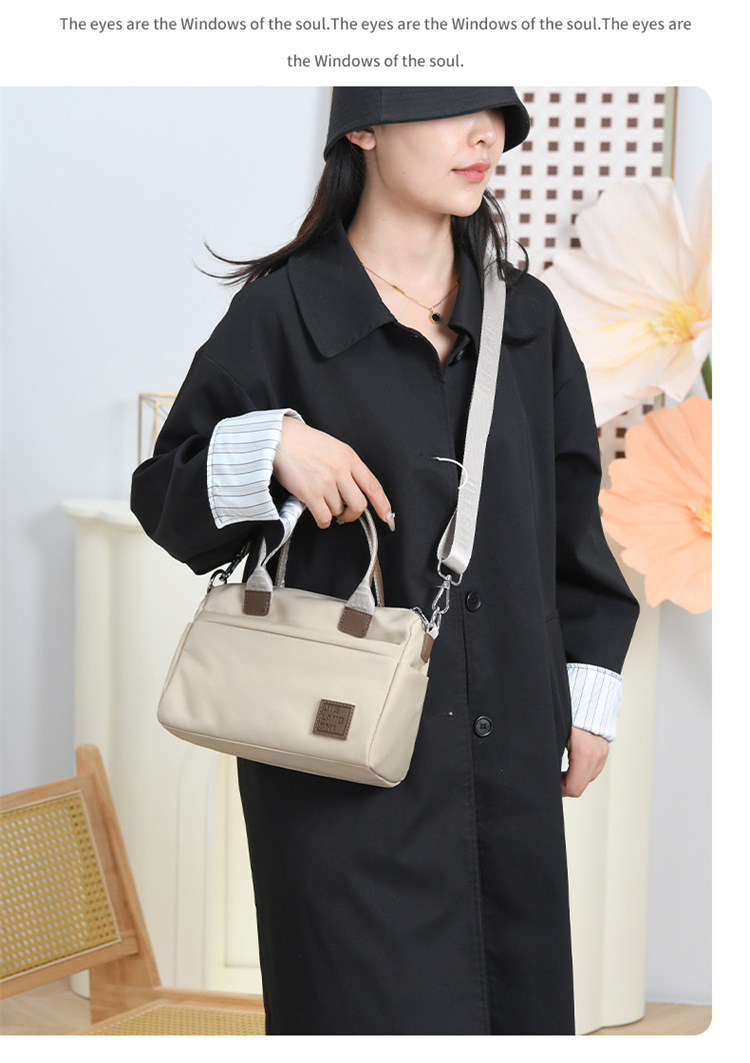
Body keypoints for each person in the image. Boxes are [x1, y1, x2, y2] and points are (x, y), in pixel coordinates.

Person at [131, 87, 640, 1035]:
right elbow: (164, 498)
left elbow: (574, 529)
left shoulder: (526, 319)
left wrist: (587, 694)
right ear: (361, 127)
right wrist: (271, 442)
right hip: (340, 777)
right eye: (451, 109)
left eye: (497, 114)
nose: (485, 135)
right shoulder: (283, 314)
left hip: (508, 757)